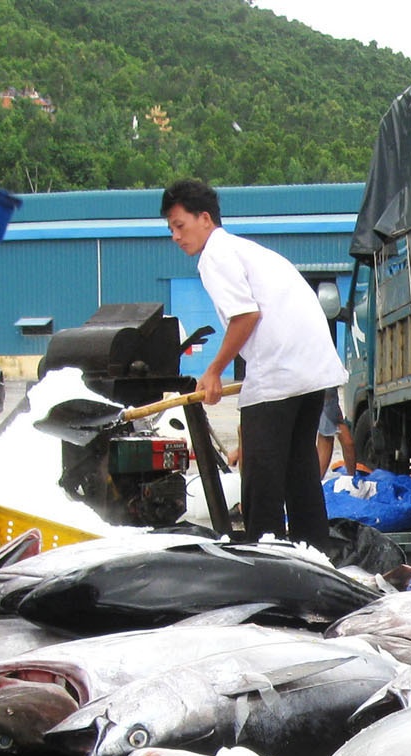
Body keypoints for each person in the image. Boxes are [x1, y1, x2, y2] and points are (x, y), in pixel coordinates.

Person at [162, 178, 345, 549]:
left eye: (180, 226)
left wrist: (213, 371)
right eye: (170, 230)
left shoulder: (215, 255)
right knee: (300, 474)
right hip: (313, 371)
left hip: (281, 372)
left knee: (261, 481)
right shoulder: (246, 251)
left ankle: (268, 561)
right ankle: (315, 555)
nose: (176, 237)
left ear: (205, 219)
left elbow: (246, 315)